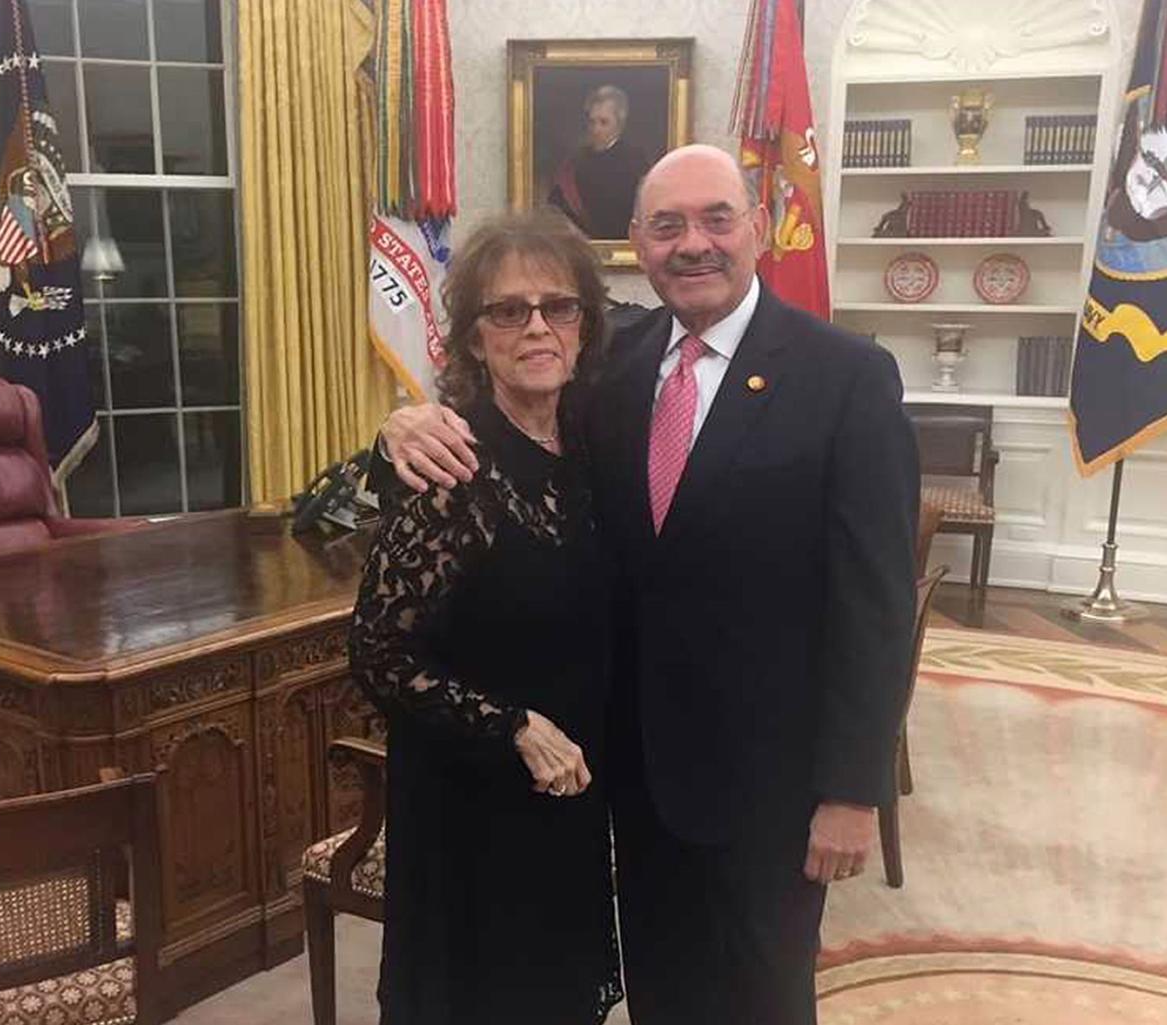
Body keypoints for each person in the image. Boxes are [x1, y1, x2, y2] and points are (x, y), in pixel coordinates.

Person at [378, 144, 919, 1024]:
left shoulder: (847, 376)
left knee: (761, 999)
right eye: (667, 225)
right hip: (629, 778)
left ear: (757, 228)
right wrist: (399, 428)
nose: (693, 243)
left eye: (716, 218)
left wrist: (853, 789)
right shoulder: (613, 365)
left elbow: (878, 605)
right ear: (636, 240)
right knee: (662, 993)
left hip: (768, 792)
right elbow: (496, 417)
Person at [347, 209, 623, 1025]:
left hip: (569, 799)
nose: (536, 326)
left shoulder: (590, 445)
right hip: (474, 808)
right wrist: (511, 726)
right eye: (508, 310)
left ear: (584, 325)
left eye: (557, 306)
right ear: (473, 339)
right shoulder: (452, 467)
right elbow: (377, 652)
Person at [547, 85, 650, 239]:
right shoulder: (575, 162)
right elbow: (556, 208)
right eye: (592, 122)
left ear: (619, 124)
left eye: (603, 122)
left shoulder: (636, 161)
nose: (596, 129)